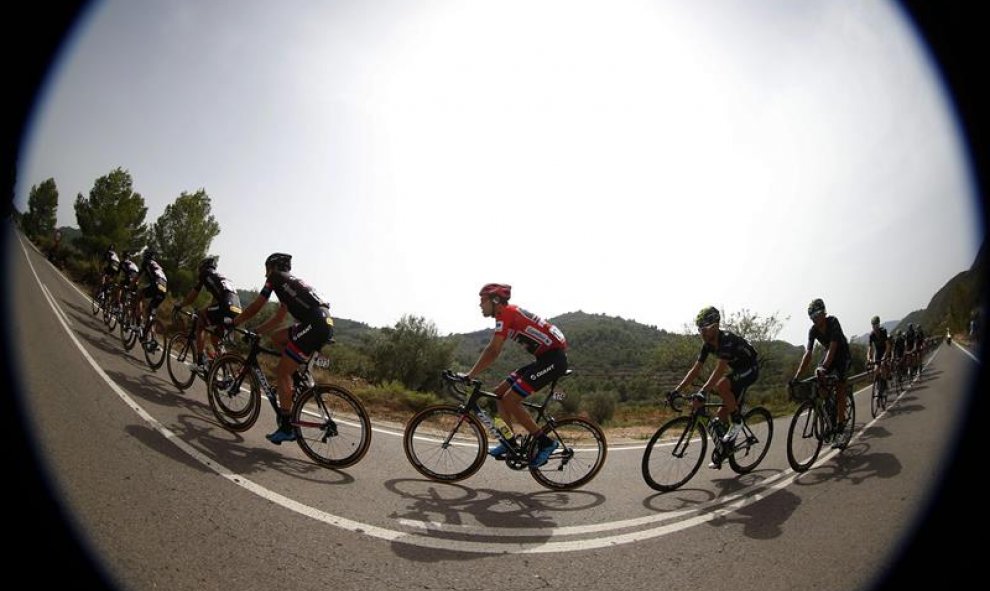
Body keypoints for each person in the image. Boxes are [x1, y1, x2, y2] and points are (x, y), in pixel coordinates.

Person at [232, 253, 334, 444]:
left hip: (315, 323)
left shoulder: (275, 279)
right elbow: (279, 318)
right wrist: (257, 331)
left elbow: (256, 307)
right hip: (322, 320)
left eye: (266, 269)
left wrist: (235, 321)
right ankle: (294, 378)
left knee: (282, 372)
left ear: (273, 268)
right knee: (277, 337)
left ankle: (287, 428)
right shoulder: (290, 284)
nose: (265, 275)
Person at [463, 283, 567, 468]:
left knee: (511, 399)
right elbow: (494, 350)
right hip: (544, 359)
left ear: (495, 301)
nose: (480, 305)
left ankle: (546, 442)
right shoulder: (507, 314)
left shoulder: (506, 313)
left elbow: (493, 351)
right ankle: (509, 441)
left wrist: (470, 374)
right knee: (499, 394)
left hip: (553, 360)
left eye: (482, 301)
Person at [671, 306, 760, 469]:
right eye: (700, 329)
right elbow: (695, 369)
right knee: (720, 416)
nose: (702, 333)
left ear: (716, 325)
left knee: (722, 385)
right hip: (738, 371)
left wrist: (703, 391)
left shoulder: (726, 339)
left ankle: (738, 421)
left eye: (705, 328)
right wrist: (677, 390)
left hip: (750, 368)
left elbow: (720, 369)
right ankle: (725, 449)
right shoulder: (707, 345)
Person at [792, 298, 852, 448]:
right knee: (820, 383)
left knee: (839, 387)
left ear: (824, 313)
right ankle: (829, 409)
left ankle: (841, 427)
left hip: (842, 355)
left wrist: (824, 367)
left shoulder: (833, 322)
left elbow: (833, 348)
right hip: (829, 355)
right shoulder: (813, 330)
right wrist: (797, 376)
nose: (815, 319)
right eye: (812, 317)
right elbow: (808, 353)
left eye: (817, 315)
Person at [176, 256, 242, 373]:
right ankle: (226, 371)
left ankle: (200, 362)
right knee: (215, 338)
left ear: (202, 267)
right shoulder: (220, 277)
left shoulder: (206, 274)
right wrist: (204, 310)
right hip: (236, 309)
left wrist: (181, 305)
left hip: (225, 306)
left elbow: (193, 296)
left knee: (200, 322)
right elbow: (216, 301)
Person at [133, 249, 168, 347]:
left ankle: (138, 324)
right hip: (164, 287)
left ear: (146, 256)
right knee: (151, 312)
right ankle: (153, 338)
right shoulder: (158, 266)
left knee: (139, 294)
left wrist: (132, 285)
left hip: (156, 285)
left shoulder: (146, 262)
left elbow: (137, 277)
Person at [867, 315, 892, 386]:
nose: (875, 327)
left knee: (883, 366)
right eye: (873, 325)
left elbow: (888, 346)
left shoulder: (883, 331)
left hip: (885, 350)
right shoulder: (871, 335)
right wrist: (869, 358)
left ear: (879, 324)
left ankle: (884, 384)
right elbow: (870, 348)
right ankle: (878, 385)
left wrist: (884, 356)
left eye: (876, 325)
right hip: (878, 352)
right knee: (876, 370)